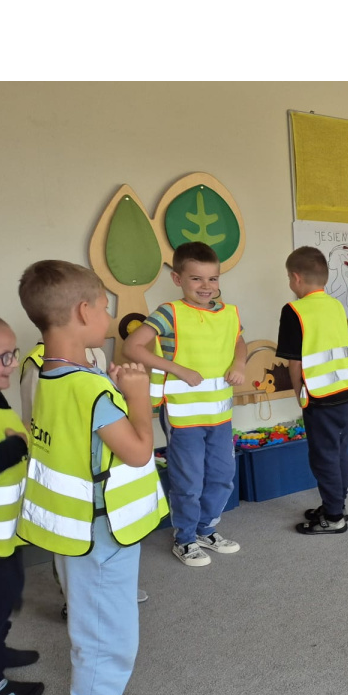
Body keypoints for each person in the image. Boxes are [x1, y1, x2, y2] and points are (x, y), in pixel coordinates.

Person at [16, 260, 169, 695]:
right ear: (84, 311)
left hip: (75, 527)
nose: (109, 317)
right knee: (107, 630)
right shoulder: (92, 389)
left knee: (93, 621)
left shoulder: (38, 369)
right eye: (105, 307)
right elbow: (139, 451)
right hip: (103, 532)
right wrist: (138, 395)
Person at [123, 241, 245, 567]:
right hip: (182, 415)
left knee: (222, 475)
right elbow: (132, 347)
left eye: (213, 278)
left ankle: (206, 529)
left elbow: (239, 342)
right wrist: (177, 369)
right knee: (189, 481)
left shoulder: (229, 312)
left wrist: (240, 363)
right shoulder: (169, 312)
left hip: (220, 414)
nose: (206, 286)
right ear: (177, 279)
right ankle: (185, 538)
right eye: (196, 278)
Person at [21, 342, 147, 606]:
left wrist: (119, 394)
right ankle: (73, 594)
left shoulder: (95, 356)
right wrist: (139, 398)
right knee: (72, 543)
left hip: (102, 481)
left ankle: (97, 590)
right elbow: (37, 419)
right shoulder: (38, 364)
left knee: (99, 556)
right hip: (71, 476)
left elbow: (102, 415)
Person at [0, 314, 43, 695]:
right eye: (3, 357)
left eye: (13, 354)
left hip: (4, 532)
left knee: (6, 595)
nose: (13, 364)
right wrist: (15, 448)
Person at [277, 247, 348, 533]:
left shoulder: (294, 311)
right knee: (340, 452)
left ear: (296, 278)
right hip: (347, 393)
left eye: (289, 278)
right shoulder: (336, 306)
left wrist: (298, 394)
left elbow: (294, 362)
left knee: (324, 457)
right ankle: (337, 504)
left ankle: (334, 517)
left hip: (320, 399)